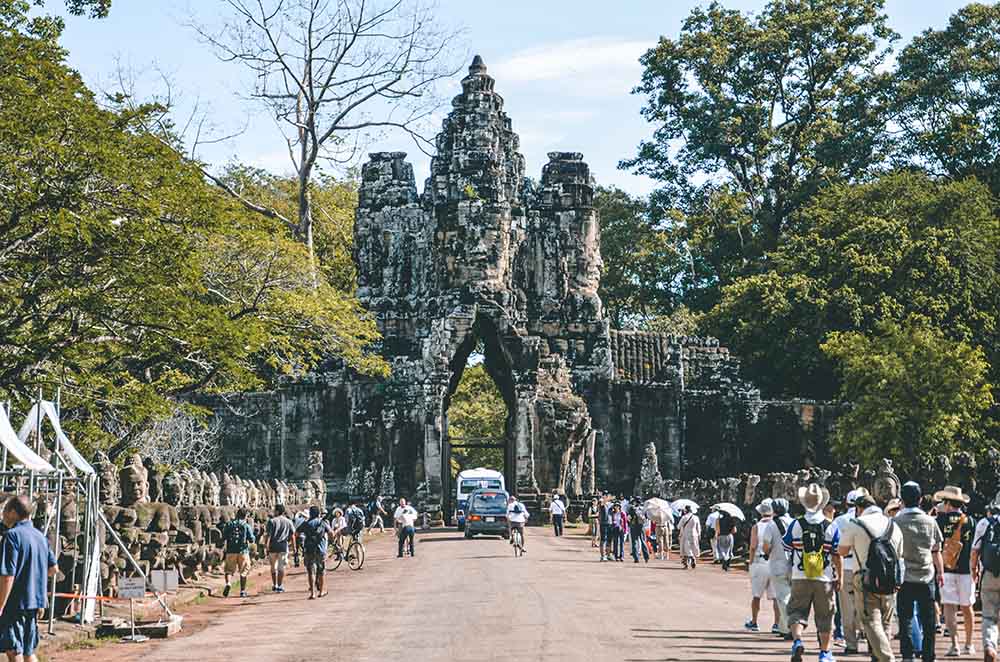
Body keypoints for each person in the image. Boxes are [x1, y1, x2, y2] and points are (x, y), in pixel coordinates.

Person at [838, 492, 904, 662]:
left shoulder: (857, 523)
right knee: (886, 622)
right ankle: (878, 657)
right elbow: (899, 554)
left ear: (859, 508)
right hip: (890, 579)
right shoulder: (892, 525)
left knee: (871, 621)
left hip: (865, 577)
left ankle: (887, 658)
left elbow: (842, 551)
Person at [783, 484, 842, 662]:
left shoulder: (796, 524)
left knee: (796, 611)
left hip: (800, 575)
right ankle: (824, 653)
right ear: (822, 503)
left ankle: (798, 641)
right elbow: (836, 554)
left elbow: (787, 546)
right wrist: (839, 576)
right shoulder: (831, 526)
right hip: (823, 577)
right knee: (825, 616)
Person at [0, 496, 57, 662]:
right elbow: (53, 569)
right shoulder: (40, 536)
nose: (3, 515)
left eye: (4, 511)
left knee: (13, 650)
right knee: (28, 650)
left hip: (15, 602)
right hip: (34, 601)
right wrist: (33, 578)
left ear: (12, 512)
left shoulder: (12, 536)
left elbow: (7, 575)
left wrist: (1, 605)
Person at [894, 482, 944, 662]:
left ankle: (907, 656)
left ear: (902, 500)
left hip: (904, 577)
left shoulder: (895, 521)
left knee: (905, 619)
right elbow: (936, 549)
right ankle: (928, 655)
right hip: (926, 576)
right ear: (920, 499)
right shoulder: (930, 522)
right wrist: (940, 572)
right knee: (929, 620)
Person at [935, 485, 976, 657]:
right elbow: (975, 548)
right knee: (967, 607)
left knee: (949, 607)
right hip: (966, 570)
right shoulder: (971, 521)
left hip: (947, 569)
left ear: (947, 502)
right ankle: (969, 644)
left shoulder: (940, 520)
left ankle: (955, 645)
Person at [832, 490, 861, 654]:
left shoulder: (839, 521)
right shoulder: (865, 520)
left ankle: (850, 643)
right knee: (864, 605)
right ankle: (865, 633)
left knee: (846, 607)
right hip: (861, 567)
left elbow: (834, 548)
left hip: (844, 565)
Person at [971, 499, 1000, 662]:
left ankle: (989, 646)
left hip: (989, 574)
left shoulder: (984, 523)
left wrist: (973, 571)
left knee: (989, 616)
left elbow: (975, 551)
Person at [746, 500, 780, 633]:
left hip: (759, 561)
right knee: (776, 596)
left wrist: (750, 562)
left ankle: (754, 622)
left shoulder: (756, 526)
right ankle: (777, 624)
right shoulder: (776, 525)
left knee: (756, 595)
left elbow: (753, 546)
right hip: (774, 561)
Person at [764, 498, 794, 639]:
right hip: (794, 564)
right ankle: (783, 628)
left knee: (782, 598)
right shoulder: (794, 522)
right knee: (791, 596)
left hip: (778, 564)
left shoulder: (771, 525)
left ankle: (790, 628)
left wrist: (766, 553)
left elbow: (766, 545)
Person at [296, 505, 334, 599]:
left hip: (309, 549)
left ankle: (312, 593)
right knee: (321, 570)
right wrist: (330, 541)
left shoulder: (306, 523)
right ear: (319, 514)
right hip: (320, 549)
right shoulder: (322, 522)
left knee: (310, 571)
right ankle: (321, 591)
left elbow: (297, 533)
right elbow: (331, 533)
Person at [221, 507, 255, 598]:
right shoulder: (246, 525)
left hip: (230, 551)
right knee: (244, 571)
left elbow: (223, 537)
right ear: (245, 516)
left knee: (228, 570)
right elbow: (251, 539)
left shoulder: (229, 524)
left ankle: (228, 583)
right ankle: (242, 591)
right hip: (243, 551)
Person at [262, 504, 295, 593]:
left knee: (273, 567)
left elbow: (268, 535)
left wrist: (266, 546)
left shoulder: (271, 521)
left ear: (277, 511)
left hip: (273, 546)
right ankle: (280, 585)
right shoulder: (288, 522)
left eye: (274, 510)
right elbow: (292, 535)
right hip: (283, 546)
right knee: (281, 567)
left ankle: (274, 584)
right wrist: (294, 547)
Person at [678, 505, 701, 569]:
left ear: (685, 510)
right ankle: (693, 559)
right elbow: (698, 527)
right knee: (693, 548)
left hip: (686, 535)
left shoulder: (684, 517)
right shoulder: (696, 517)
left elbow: (678, 526)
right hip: (694, 535)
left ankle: (687, 563)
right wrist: (699, 535)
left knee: (685, 550)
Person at [715, 506, 736, 572]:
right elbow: (734, 531)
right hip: (729, 536)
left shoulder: (718, 520)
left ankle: (724, 559)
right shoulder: (731, 519)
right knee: (729, 550)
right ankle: (727, 565)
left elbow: (717, 530)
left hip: (721, 536)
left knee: (722, 550)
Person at [599, 494, 614, 561]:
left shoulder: (611, 504)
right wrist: (606, 498)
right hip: (603, 523)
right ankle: (603, 556)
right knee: (603, 540)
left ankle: (608, 554)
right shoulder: (602, 502)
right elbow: (601, 504)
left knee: (609, 540)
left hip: (610, 523)